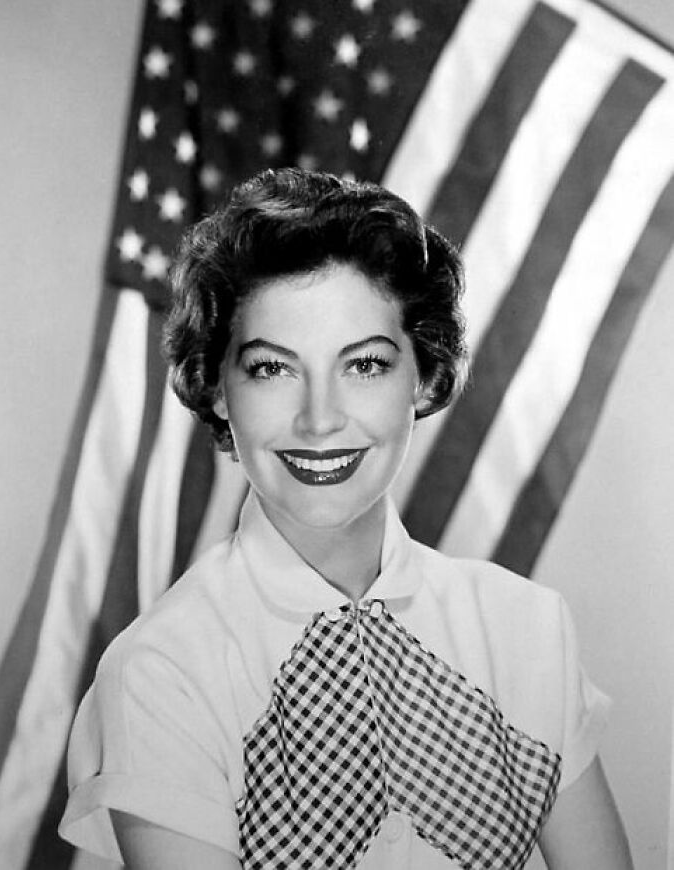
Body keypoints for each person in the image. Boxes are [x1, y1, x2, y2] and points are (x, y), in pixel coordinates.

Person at [58, 168, 633, 869]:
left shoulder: (526, 627)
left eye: (363, 365)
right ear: (215, 389)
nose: (320, 419)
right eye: (273, 369)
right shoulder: (163, 671)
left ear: (423, 375)